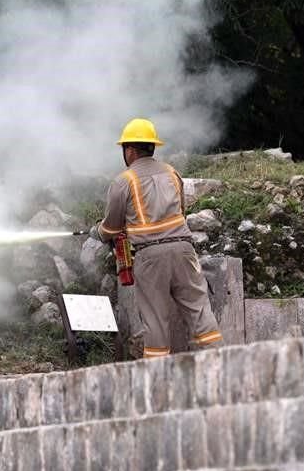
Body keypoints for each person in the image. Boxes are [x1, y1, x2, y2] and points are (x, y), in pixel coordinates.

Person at [94, 118, 223, 358]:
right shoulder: (172, 173)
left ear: (130, 150)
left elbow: (111, 227)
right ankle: (219, 361)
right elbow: (181, 212)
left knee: (155, 319)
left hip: (150, 256)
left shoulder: (124, 181)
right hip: (184, 250)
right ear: (152, 146)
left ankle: (156, 378)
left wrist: (98, 232)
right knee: (199, 310)